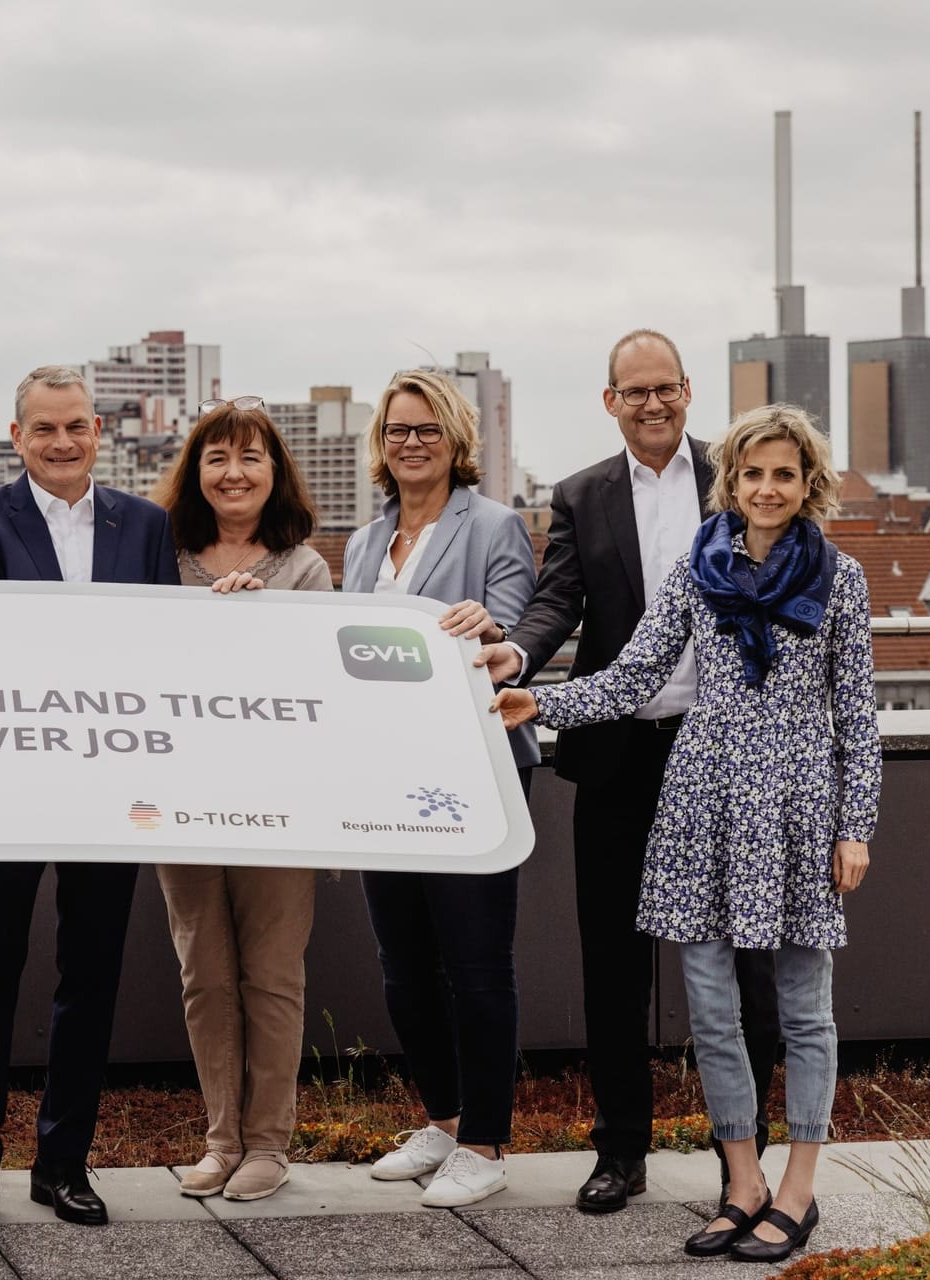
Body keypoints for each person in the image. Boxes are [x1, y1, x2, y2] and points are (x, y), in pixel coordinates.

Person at [494, 403, 877, 1262]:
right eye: (752, 474)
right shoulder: (697, 572)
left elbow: (857, 717)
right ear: (730, 484)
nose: (767, 488)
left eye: (785, 473)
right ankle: (741, 1183)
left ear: (807, 483)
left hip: (795, 809)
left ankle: (797, 1190)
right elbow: (633, 673)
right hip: (700, 804)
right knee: (711, 1011)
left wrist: (856, 829)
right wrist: (542, 700)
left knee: (803, 1011)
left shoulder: (841, 579)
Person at [474, 330, 781, 1215]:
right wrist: (518, 659)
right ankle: (621, 1154)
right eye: (633, 391)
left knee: (744, 963)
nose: (652, 404)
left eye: (666, 388)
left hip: (722, 756)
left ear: (688, 391)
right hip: (618, 757)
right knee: (613, 966)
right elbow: (556, 601)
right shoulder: (580, 495)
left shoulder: (741, 472)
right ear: (610, 401)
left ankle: (744, 1156)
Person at [0, 365, 179, 1235]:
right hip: (5, 786)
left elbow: (166, 644)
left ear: (99, 428)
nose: (63, 443)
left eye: (76, 426)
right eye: (45, 430)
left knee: (91, 978)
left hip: (110, 787)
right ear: (17, 436)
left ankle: (64, 1164)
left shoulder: (146, 525)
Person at [338, 370, 537, 1207]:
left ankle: (487, 1141)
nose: (410, 443)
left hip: (470, 774)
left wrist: (492, 630)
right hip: (386, 778)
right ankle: (445, 1121)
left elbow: (517, 618)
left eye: (426, 429)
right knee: (404, 966)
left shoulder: (494, 525)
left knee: (475, 965)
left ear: (456, 440)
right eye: (396, 430)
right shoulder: (361, 541)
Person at [149, 398, 330, 1202]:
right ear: (196, 473)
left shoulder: (304, 568)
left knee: (272, 974)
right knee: (205, 972)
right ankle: (220, 1139)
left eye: (251, 458)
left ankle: (268, 1144)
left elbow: (320, 686)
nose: (234, 473)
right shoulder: (162, 560)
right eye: (218, 458)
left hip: (277, 800)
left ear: (274, 473)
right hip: (180, 793)